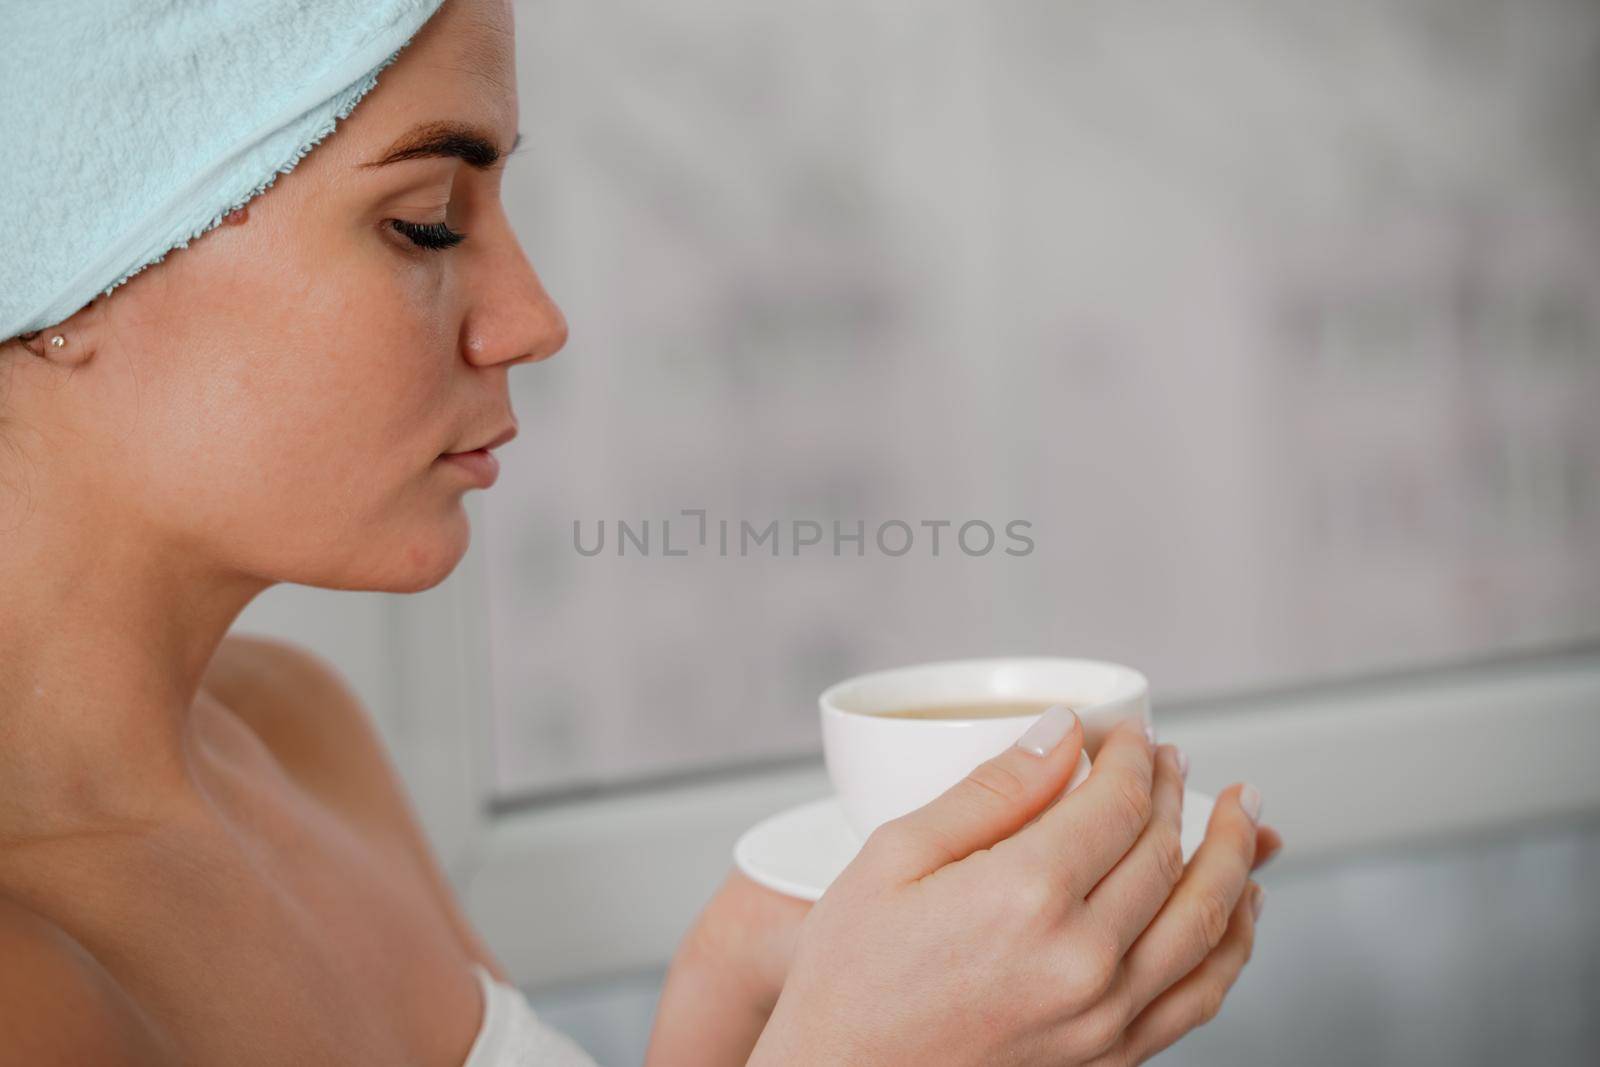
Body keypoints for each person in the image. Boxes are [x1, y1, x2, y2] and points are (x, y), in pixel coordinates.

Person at [0, 0, 1283, 1063]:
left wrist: (736, 993)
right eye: (427, 221)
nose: (535, 315)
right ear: (67, 256)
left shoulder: (301, 737)